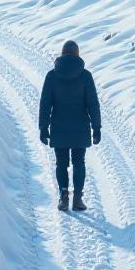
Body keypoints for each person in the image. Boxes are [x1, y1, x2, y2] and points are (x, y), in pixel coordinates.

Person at [38, 39, 101, 212]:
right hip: (80, 127)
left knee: (61, 163)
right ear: (77, 54)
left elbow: (45, 103)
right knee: (79, 162)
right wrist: (96, 128)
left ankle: (64, 196)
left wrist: (43, 128)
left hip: (59, 127)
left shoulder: (52, 75)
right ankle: (78, 199)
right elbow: (93, 104)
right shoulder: (85, 76)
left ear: (62, 54)